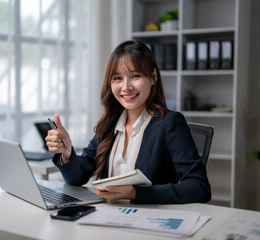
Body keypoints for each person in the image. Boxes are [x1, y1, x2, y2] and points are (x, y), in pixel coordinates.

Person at [45, 40, 211, 204]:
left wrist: (135, 193)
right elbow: (77, 177)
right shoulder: (110, 125)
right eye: (117, 78)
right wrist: (66, 153)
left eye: (135, 76)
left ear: (153, 77)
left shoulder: (170, 123)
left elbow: (199, 187)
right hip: (108, 220)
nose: (126, 87)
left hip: (149, 223)